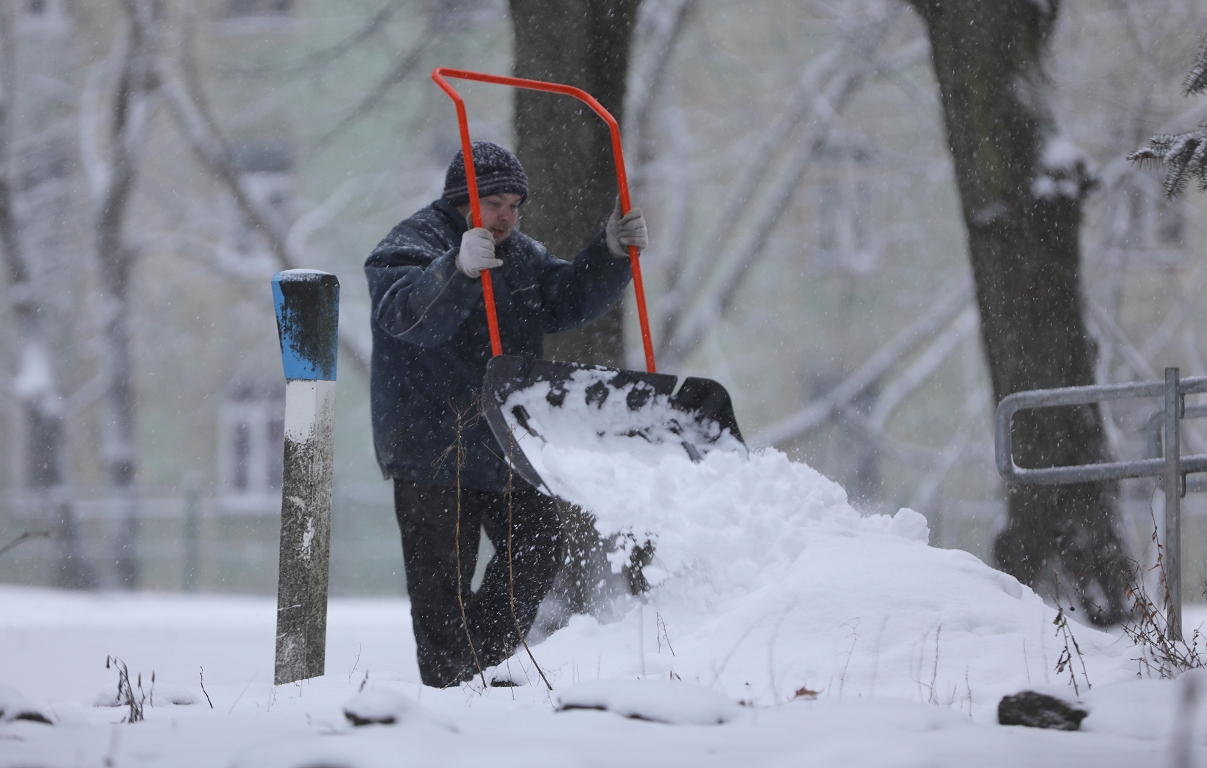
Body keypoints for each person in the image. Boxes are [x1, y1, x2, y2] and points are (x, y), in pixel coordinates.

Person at [364, 141, 648, 687]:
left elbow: (564, 299)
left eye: (515, 205)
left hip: (503, 442)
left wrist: (608, 253)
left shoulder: (520, 253)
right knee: (440, 585)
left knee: (539, 548)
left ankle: (479, 669)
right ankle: (451, 693)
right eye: (494, 202)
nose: (506, 216)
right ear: (460, 198)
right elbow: (408, 317)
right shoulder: (406, 246)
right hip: (431, 449)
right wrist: (456, 270)